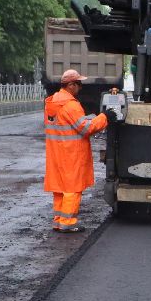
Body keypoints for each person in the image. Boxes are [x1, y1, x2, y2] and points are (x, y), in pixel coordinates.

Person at [44, 69, 109, 233]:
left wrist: (88, 118)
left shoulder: (52, 102)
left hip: (56, 154)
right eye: (79, 84)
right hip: (71, 154)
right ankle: (68, 222)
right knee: (72, 189)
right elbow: (86, 128)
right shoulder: (72, 105)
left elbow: (67, 125)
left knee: (60, 189)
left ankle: (58, 220)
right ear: (71, 85)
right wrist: (104, 117)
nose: (81, 87)